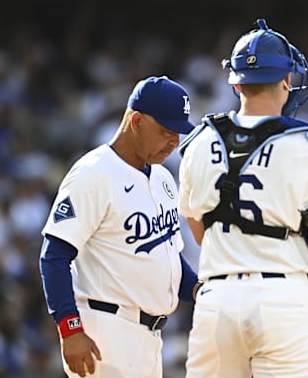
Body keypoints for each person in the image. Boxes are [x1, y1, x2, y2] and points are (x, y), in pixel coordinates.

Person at [178, 18, 308, 378]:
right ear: (287, 80)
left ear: (236, 81)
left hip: (216, 300)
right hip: (283, 299)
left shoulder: (199, 142)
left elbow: (199, 233)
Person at [39, 75, 200, 378]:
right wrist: (69, 328)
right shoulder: (93, 173)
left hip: (149, 337)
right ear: (136, 121)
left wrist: (199, 290)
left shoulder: (163, 177)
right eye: (166, 131)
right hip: (106, 331)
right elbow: (54, 256)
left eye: (178, 133)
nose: (174, 142)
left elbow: (166, 255)